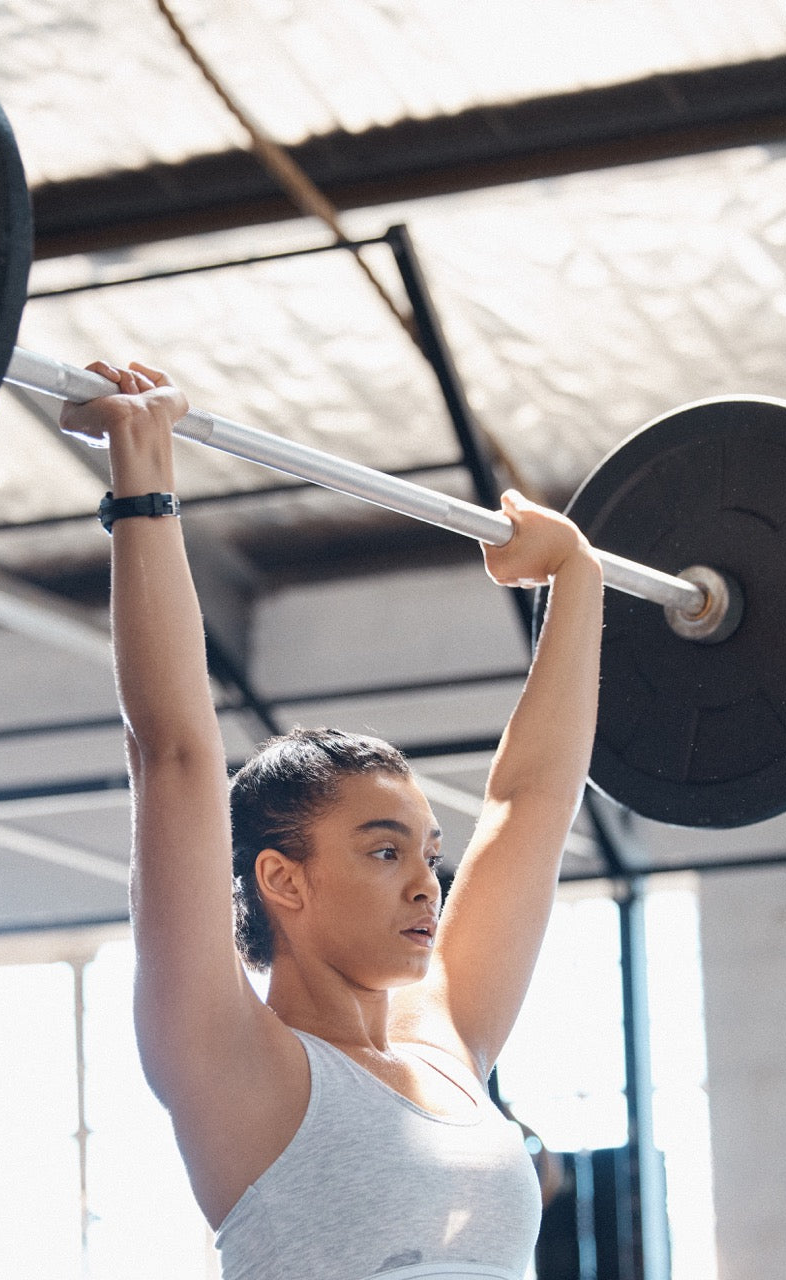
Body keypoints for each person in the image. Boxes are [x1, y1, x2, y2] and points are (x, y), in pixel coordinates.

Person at [60, 362, 604, 1280]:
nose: (426, 882)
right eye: (384, 850)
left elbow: (532, 800)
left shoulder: (450, 1034)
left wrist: (576, 576)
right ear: (283, 878)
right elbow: (176, 757)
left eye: (428, 854)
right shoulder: (235, 1064)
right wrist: (142, 475)